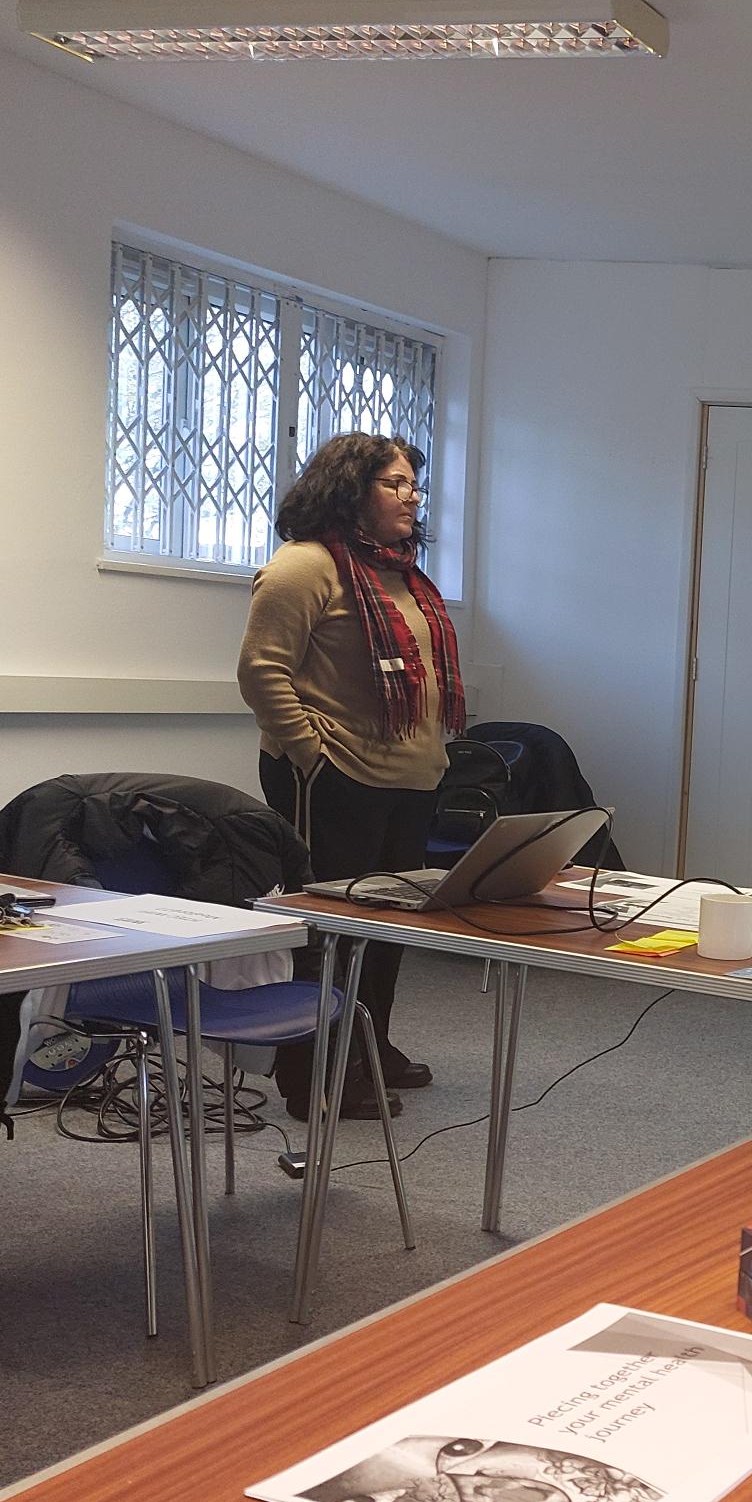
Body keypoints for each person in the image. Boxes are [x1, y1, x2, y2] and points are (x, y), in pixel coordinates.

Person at [237, 433, 462, 1118]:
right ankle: (315, 1078)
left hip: (409, 779)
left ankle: (370, 1047)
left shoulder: (400, 572)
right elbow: (261, 671)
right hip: (335, 779)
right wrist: (312, 754)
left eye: (413, 485)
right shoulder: (304, 567)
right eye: (394, 483)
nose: (411, 495)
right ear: (350, 490)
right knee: (333, 933)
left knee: (391, 929)